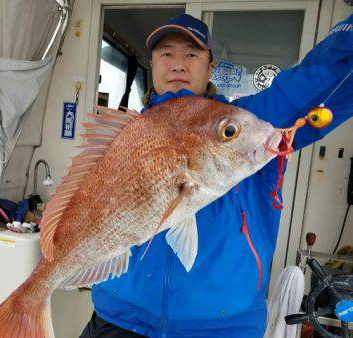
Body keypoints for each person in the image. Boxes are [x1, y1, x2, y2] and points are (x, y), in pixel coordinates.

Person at [80, 13, 353, 338]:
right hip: (119, 318)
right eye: (166, 54)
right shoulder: (123, 138)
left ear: (210, 67)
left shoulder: (248, 124)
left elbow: (322, 78)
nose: (178, 64)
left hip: (223, 327)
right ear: (152, 64)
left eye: (191, 54)